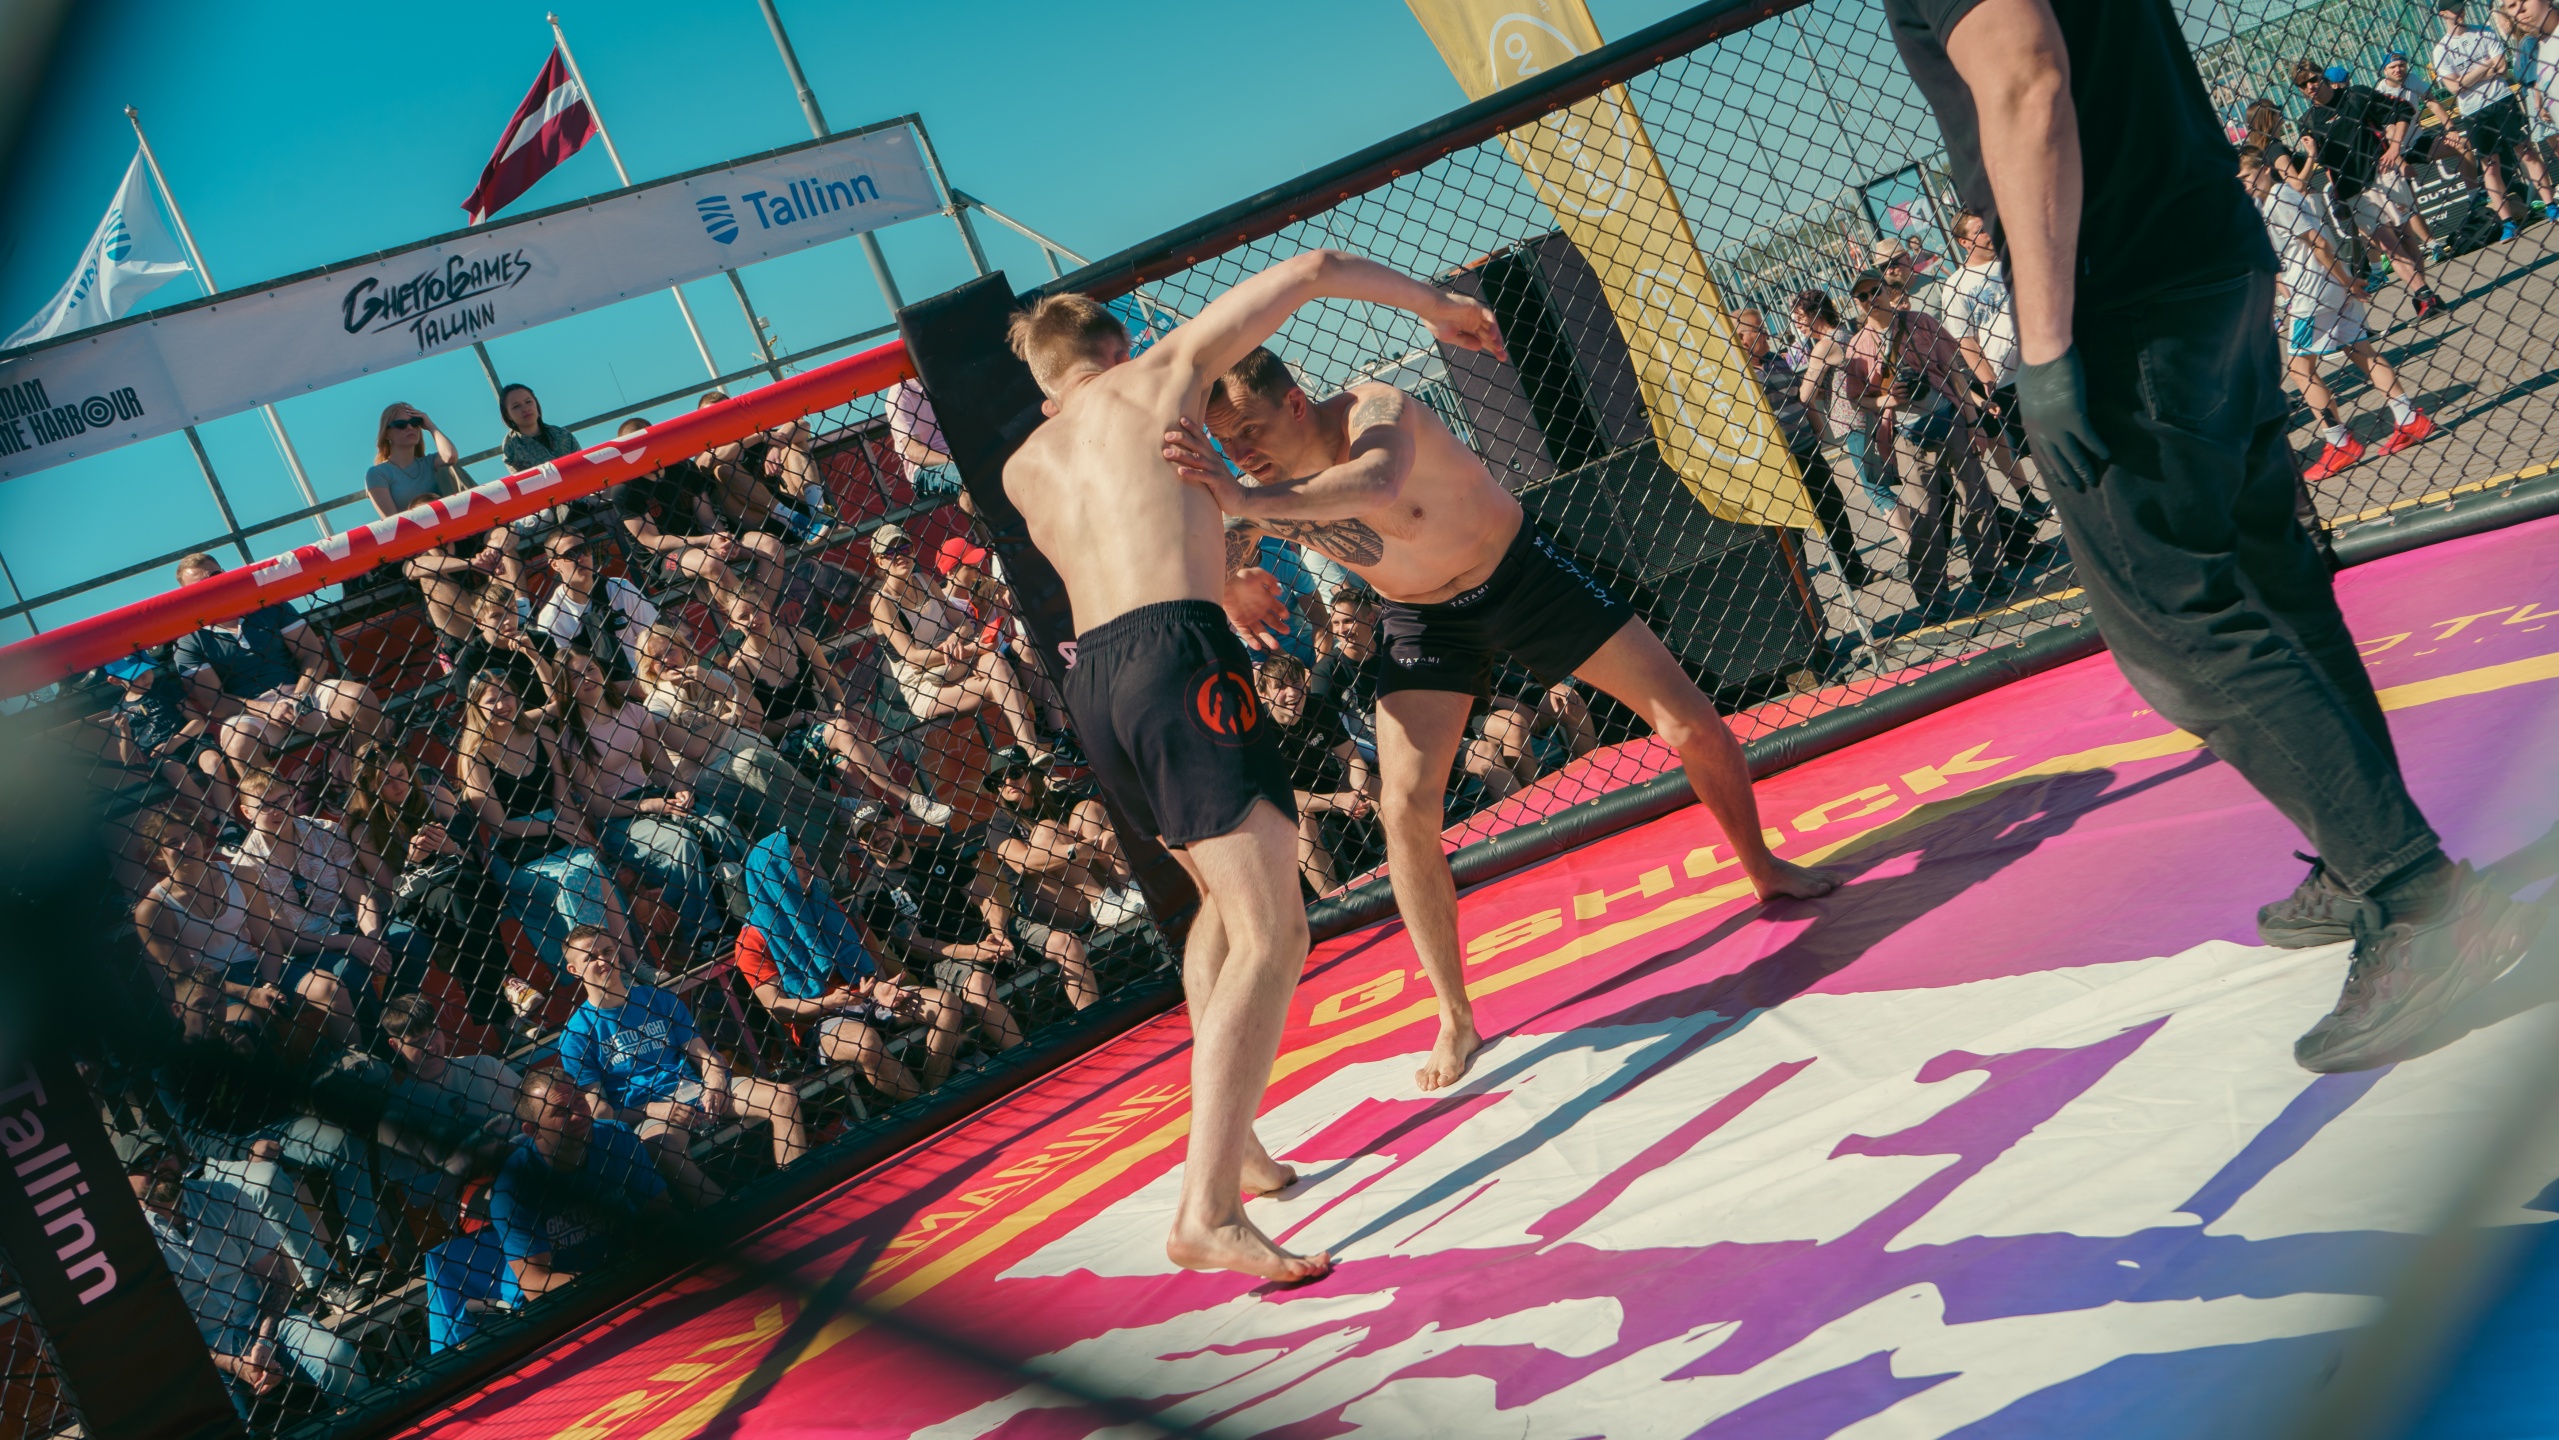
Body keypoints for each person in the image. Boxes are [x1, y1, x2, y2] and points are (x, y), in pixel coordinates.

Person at [1884, 0, 2539, 1073]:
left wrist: (2043, 349)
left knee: (2181, 629)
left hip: (2121, 291)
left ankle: (2418, 901)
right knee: (2275, 582)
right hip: (2204, 254)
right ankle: (2366, 855)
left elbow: (2026, 77)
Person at [1173, 334, 1840, 1102]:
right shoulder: (1258, 489)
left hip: (1518, 576)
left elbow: (1377, 481)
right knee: (1403, 807)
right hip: (1422, 619)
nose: (1239, 453)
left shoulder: (1374, 409)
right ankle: (1453, 1014)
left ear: (1294, 402)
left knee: (1688, 721)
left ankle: (1762, 868)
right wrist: (1228, 581)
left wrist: (1246, 506)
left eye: (1248, 430)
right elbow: (1215, 549)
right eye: (1225, 443)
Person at [557, 924, 804, 1201]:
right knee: (664, 1148)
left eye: (607, 951)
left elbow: (704, 1056)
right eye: (591, 957)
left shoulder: (658, 999)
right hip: (648, 1113)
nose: (604, 961)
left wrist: (715, 1083)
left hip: (697, 1090)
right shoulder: (576, 1034)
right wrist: (653, 1109)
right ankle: (733, 1214)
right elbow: (598, 1112)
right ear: (574, 970)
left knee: (783, 1097)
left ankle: (798, 1188)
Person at [2241, 150, 2439, 480]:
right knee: (2361, 351)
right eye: (2239, 181)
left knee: (2300, 369)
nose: (2244, 185)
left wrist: (2347, 281)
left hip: (2314, 291)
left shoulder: (2278, 199)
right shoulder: (2273, 199)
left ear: (2264, 169)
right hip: (2326, 286)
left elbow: (2319, 243)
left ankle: (2339, 442)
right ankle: (2408, 418)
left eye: (2246, 177)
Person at [131, 1159, 368, 1406]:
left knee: (338, 1358)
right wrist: (232, 1364)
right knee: (223, 1413)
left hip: (265, 1322)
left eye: (163, 1153)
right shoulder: (128, 1241)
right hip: (206, 1353)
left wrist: (264, 1340)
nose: (159, 1166)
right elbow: (169, 1335)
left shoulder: (222, 1196)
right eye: (143, 1163)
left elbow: (276, 1277)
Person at [451, 670, 638, 981]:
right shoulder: (475, 757)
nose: (502, 705)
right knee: (573, 876)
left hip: (559, 828)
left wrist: (579, 830)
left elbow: (561, 797)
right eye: (491, 701)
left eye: (506, 695)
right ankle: (600, 974)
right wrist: (554, 828)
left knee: (591, 863)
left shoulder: (543, 736)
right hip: (519, 849)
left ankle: (631, 964)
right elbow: (499, 826)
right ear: (476, 708)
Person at [719, 590, 956, 826]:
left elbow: (832, 689)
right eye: (743, 616)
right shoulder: (739, 667)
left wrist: (838, 714)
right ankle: (909, 799)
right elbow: (760, 729)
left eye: (756, 609)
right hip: (785, 744)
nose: (753, 619)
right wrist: (803, 717)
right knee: (843, 734)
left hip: (826, 729)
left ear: (767, 606)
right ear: (733, 624)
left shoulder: (800, 637)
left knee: (848, 763)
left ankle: (875, 825)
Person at [557, 647, 739, 951]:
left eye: (590, 669)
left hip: (655, 795)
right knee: (680, 844)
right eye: (575, 676)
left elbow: (661, 765)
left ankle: (750, 908)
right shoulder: (572, 736)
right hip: (619, 819)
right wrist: (646, 806)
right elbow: (597, 805)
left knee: (718, 825)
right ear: (566, 687)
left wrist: (680, 790)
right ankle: (703, 934)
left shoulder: (632, 711)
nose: (587, 678)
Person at [733, 830, 929, 1100]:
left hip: (868, 998)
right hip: (821, 1020)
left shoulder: (828, 906)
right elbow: (777, 1008)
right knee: (866, 1043)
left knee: (945, 1006)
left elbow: (869, 960)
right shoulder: (751, 939)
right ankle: (926, 1106)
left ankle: (937, 1092)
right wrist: (832, 1002)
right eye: (797, 863)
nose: (809, 869)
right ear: (774, 874)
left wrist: (881, 987)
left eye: (806, 860)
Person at [848, 796, 1080, 1014]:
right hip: (943, 961)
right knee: (979, 984)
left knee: (1066, 942)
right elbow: (915, 945)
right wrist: (975, 952)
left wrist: (998, 934)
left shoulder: (939, 854)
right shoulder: (872, 894)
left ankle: (1090, 1022)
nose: (877, 835)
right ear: (861, 844)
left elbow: (984, 897)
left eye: (881, 825)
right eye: (868, 834)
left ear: (897, 823)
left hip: (986, 934)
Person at [170, 553, 381, 791]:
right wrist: (266, 709)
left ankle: (370, 786)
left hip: (302, 692)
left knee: (359, 697)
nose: (211, 585)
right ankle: (279, 806)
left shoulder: (265, 604)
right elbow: (214, 702)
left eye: (215, 576)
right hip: (251, 711)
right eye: (200, 585)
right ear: (188, 595)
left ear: (225, 574)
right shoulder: (189, 640)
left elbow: (312, 654)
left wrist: (300, 695)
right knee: (238, 744)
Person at [342, 739, 515, 1028]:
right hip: (418, 900)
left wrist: (450, 847)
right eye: (386, 782)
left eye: (401, 774)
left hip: (464, 883)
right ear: (370, 788)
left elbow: (476, 857)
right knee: (455, 900)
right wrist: (412, 861)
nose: (398, 785)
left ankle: (504, 1014)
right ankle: (510, 987)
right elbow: (392, 888)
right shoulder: (364, 828)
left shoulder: (435, 795)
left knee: (456, 897)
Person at [232, 770, 407, 1043]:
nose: (278, 810)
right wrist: (349, 943)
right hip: (309, 946)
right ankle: (378, 1049)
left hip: (355, 924)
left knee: (411, 941)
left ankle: (407, 1025)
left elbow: (360, 894)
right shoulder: (247, 866)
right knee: (348, 972)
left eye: (282, 800)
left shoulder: (326, 832)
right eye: (265, 805)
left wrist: (372, 938)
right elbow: (286, 940)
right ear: (246, 812)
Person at [131, 805, 314, 1039]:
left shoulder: (243, 876)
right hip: (210, 989)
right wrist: (249, 993)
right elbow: (185, 977)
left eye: (190, 835)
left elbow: (270, 941)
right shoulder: (154, 909)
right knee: (247, 1022)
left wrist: (269, 985)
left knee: (328, 987)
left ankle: (352, 1054)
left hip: (256, 968)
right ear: (158, 854)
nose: (186, 845)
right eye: (173, 842)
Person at [489, 1067, 672, 1300]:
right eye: (560, 1111)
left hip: (630, 1271)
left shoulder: (618, 1138)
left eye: (579, 1101)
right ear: (533, 1130)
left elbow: (662, 1214)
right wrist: (615, 1279)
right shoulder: (513, 1185)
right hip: (561, 1301)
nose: (578, 1115)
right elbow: (535, 1283)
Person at [865, 523, 1048, 754]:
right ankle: (1033, 746)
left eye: (904, 548)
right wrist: (969, 649)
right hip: (926, 684)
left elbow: (963, 623)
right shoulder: (882, 603)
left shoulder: (924, 581)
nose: (900, 556)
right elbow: (913, 659)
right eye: (891, 553)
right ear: (880, 561)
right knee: (1002, 680)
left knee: (998, 661)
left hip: (960, 662)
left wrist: (954, 639)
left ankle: (1034, 744)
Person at [1733, 306, 1878, 589]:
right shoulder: (1739, 374)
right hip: (1778, 460)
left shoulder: (1776, 360)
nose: (1768, 335)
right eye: (1760, 330)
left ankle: (1854, 571)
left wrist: (1817, 428)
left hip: (1806, 448)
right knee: (1792, 527)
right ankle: (1800, 588)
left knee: (1832, 507)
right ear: (1741, 338)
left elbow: (1800, 398)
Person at [1797, 289, 1935, 584]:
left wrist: (1815, 386)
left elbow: (1805, 394)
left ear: (1813, 314)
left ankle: (1919, 554)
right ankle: (1923, 548)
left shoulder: (1824, 346)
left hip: (1854, 422)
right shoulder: (1848, 335)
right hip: (1873, 415)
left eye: (1799, 317)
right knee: (1885, 484)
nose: (1796, 324)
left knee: (1876, 489)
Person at [2294, 60, 2448, 318]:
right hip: (2352, 190)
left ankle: (2423, 294)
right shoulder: (2307, 121)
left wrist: (2395, 148)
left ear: (2323, 77)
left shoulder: (2355, 95)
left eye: (2313, 79)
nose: (2310, 86)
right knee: (2389, 246)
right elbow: (2322, 161)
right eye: (2302, 84)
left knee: (2406, 238)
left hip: (2383, 175)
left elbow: (2403, 110)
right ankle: (2425, 295)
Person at [1941, 210, 2054, 555]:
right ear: (1964, 242)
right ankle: (2035, 497)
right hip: (2004, 381)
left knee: (2053, 437)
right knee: (2022, 445)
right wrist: (1986, 377)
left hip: (2041, 364)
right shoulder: (1957, 286)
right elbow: (1965, 340)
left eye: (1988, 226)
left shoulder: (2013, 261)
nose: (1989, 233)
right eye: (1979, 231)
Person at [365, 402, 515, 643]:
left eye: (415, 423)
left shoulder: (429, 462)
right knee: (429, 576)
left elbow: (450, 457)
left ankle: (520, 611)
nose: (410, 428)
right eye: (401, 424)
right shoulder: (378, 474)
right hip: (420, 545)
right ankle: (485, 631)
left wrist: (430, 425)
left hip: (455, 534)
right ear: (387, 433)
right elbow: (393, 524)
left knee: (502, 541)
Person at [611, 417, 788, 610]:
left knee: (770, 545)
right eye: (639, 448)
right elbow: (653, 543)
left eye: (651, 442)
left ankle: (760, 614)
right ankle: (747, 616)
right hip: (664, 559)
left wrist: (722, 540)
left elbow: (708, 518)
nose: (648, 450)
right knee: (711, 561)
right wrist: (708, 541)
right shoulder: (625, 488)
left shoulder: (682, 467)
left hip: (704, 540)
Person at [983, 746, 1144, 931]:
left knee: (1088, 809)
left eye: (1015, 773)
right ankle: (1100, 902)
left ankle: (1128, 888)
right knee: (1047, 829)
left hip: (1100, 882)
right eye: (999, 780)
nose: (1008, 782)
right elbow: (1022, 863)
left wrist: (1111, 832)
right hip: (1051, 898)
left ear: (1031, 773)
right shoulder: (999, 823)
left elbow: (1105, 820)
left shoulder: (1059, 799)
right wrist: (1074, 851)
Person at [2434, 0, 2559, 238]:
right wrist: (2485, 67)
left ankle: (2551, 205)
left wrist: (2468, 77)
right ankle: (2508, 223)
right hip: (2473, 110)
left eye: (2461, 8)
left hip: (2501, 99)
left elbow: (2501, 67)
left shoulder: (2484, 31)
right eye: (2454, 10)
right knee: (2490, 166)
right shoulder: (2442, 49)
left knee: (2526, 152)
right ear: (2442, 14)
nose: (2460, 13)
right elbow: (2454, 87)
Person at [1253, 655, 1375, 896]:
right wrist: (1337, 800)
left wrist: (1359, 791)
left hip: (1324, 781)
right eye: (1280, 687)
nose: (1292, 693)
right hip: (1286, 802)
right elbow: (1282, 797)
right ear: (1264, 694)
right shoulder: (1259, 731)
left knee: (1377, 784)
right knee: (1302, 822)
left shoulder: (1318, 705)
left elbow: (1352, 758)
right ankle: (1334, 900)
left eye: (1296, 683)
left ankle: (1403, 855)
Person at [375, 992, 522, 1184]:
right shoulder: (397, 1114)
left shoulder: (485, 1067)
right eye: (417, 1040)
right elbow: (412, 1194)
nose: (430, 1046)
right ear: (395, 1045)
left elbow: (537, 1113)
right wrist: (461, 1164)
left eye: (432, 1032)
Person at [694, 389, 828, 543]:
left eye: (725, 413)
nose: (721, 421)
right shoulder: (706, 452)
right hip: (757, 525)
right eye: (712, 417)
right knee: (723, 469)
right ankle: (793, 519)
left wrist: (775, 447)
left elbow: (802, 424)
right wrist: (759, 436)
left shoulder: (754, 436)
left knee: (794, 444)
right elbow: (705, 463)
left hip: (796, 507)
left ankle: (821, 512)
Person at [531, 530, 658, 685]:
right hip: (597, 690)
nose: (581, 558)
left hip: (645, 677)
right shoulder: (551, 618)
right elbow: (569, 679)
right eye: (570, 554)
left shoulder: (620, 588)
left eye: (585, 549)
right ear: (555, 564)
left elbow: (654, 636)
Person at [886, 377, 962, 498]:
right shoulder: (901, 393)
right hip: (924, 468)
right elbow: (914, 452)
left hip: (959, 454)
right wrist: (953, 459)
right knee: (964, 478)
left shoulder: (948, 379)